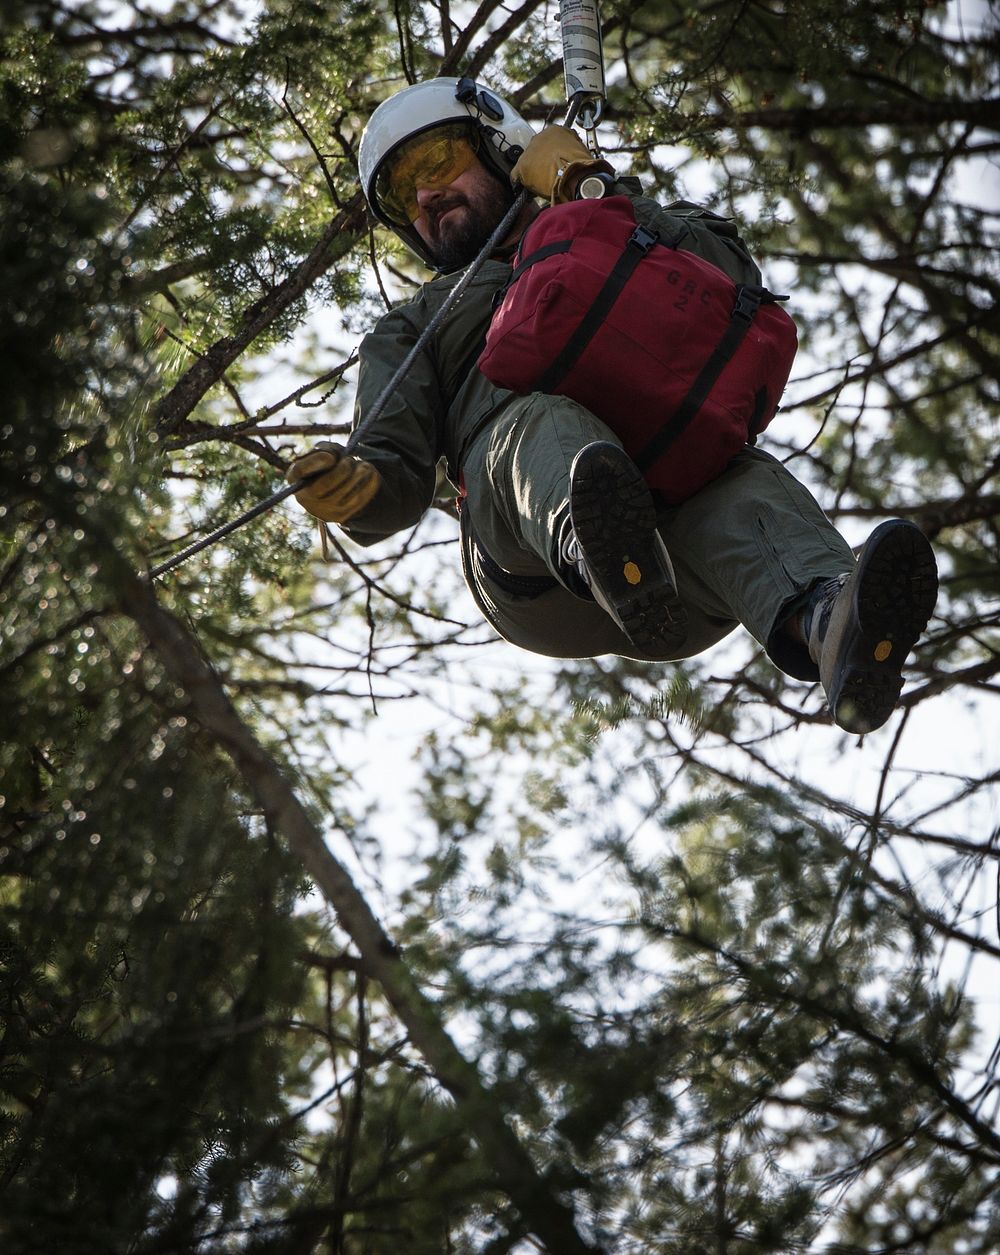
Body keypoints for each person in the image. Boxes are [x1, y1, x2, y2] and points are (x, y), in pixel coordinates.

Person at [286, 76, 938, 735]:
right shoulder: (418, 323)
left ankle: (831, 627)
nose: (426, 196)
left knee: (742, 479)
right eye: (404, 195)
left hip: (687, 571)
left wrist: (589, 190)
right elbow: (391, 472)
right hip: (534, 571)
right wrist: (360, 493)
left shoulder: (613, 220)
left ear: (500, 148)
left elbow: (732, 277)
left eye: (436, 163)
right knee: (543, 420)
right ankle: (595, 541)